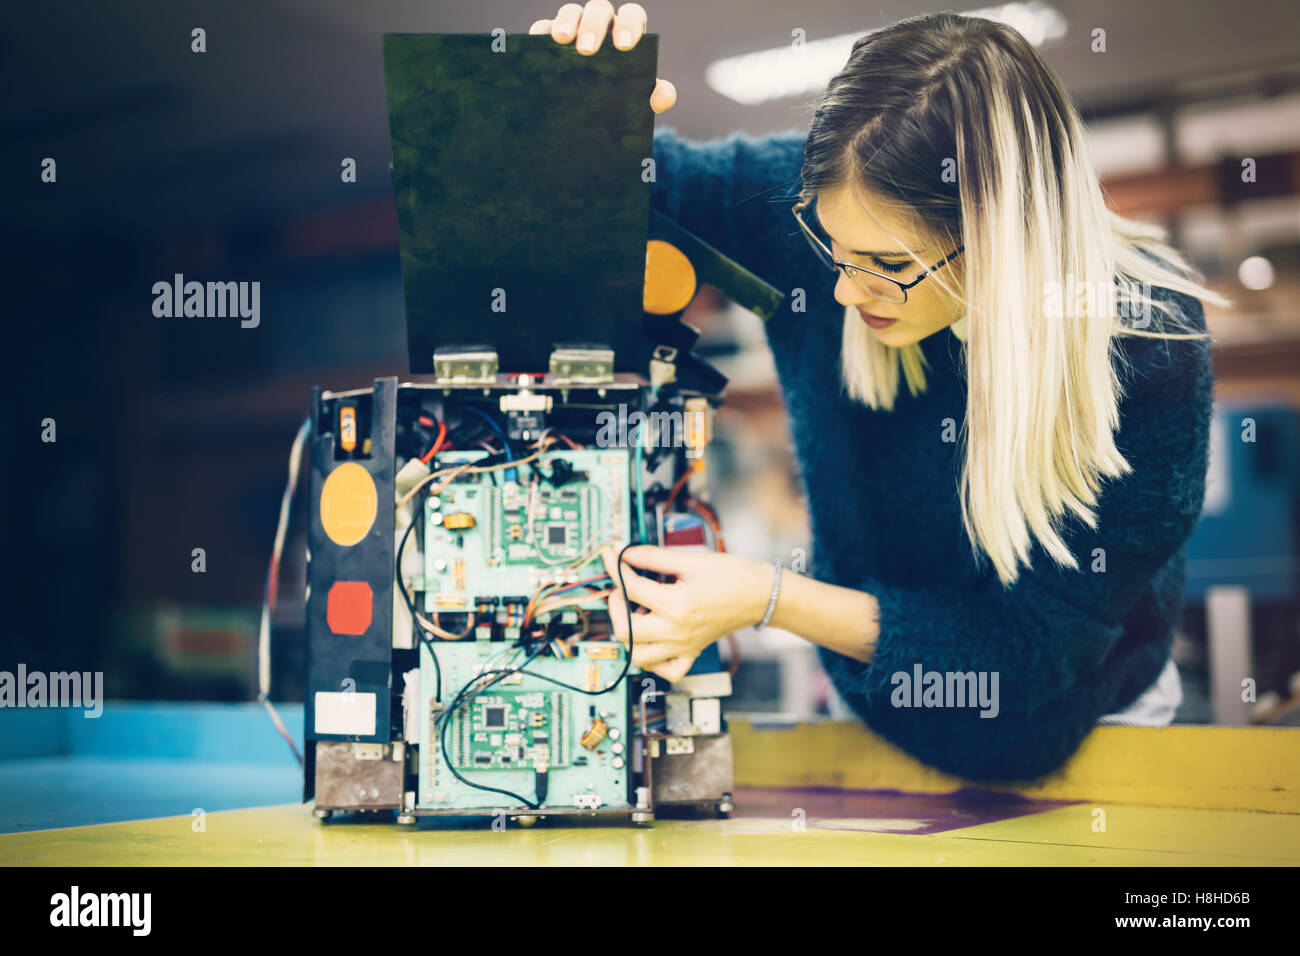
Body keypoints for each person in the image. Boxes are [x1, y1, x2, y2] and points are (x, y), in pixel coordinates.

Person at [530, 4, 1226, 780]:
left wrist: (771, 598)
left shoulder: (1145, 351)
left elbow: (1025, 658)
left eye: (888, 265)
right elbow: (639, 196)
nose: (843, 288)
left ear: (1002, 238)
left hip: (1085, 734)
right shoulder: (832, 215)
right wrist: (571, 114)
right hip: (876, 712)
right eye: (832, 245)